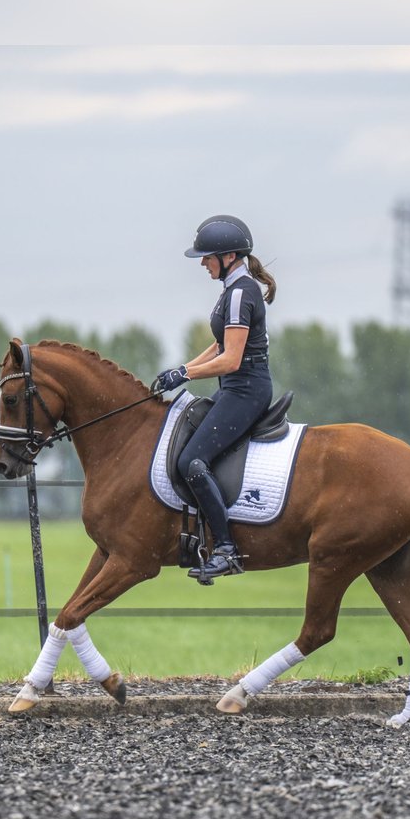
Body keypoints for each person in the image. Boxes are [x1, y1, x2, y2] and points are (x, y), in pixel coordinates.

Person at [153, 214, 277, 580]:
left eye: (206, 257)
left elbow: (231, 359)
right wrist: (181, 369)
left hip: (247, 391)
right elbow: (219, 344)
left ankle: (225, 548)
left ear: (228, 256)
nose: (203, 264)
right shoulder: (233, 291)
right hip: (236, 388)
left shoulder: (240, 293)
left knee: (191, 462)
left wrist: (186, 374)